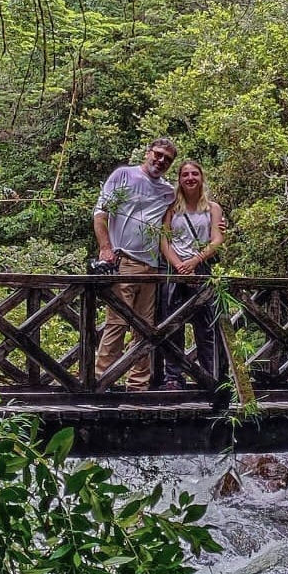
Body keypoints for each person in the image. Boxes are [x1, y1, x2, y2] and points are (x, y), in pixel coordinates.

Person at [93, 137, 178, 391]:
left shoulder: (168, 191)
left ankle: (138, 385)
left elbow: (186, 214)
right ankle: (102, 381)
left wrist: (217, 221)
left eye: (167, 159)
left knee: (144, 329)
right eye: (158, 154)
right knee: (116, 324)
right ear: (148, 152)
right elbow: (100, 213)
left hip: (151, 267)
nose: (161, 161)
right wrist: (105, 248)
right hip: (124, 261)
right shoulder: (123, 175)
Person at [159, 160, 226, 390]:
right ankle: (173, 378)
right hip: (174, 270)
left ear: (201, 177)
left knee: (206, 325)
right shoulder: (171, 208)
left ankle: (209, 377)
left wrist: (195, 261)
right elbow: (164, 240)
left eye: (194, 174)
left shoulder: (213, 208)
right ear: (179, 179)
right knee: (172, 325)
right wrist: (179, 265)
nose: (190, 178)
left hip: (202, 269)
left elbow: (217, 239)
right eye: (185, 174)